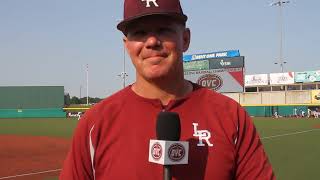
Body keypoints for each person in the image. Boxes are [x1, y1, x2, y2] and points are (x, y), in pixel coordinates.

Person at [60, 0, 275, 179]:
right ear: (127, 45)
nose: (152, 41)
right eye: (140, 32)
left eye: (164, 30)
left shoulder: (230, 116)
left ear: (185, 39)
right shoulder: (96, 122)